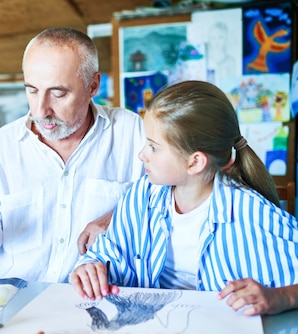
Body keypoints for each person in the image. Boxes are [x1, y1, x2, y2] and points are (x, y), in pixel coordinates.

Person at [0, 27, 145, 282]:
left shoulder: (133, 134)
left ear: (93, 85)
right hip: (6, 299)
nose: (41, 110)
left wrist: (118, 219)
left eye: (58, 93)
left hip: (94, 303)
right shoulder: (3, 146)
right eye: (32, 90)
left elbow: (181, 194)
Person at [70, 80, 298, 316]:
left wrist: (281, 296)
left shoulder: (252, 212)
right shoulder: (140, 195)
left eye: (154, 147)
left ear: (195, 162)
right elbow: (106, 254)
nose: (142, 155)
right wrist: (89, 267)